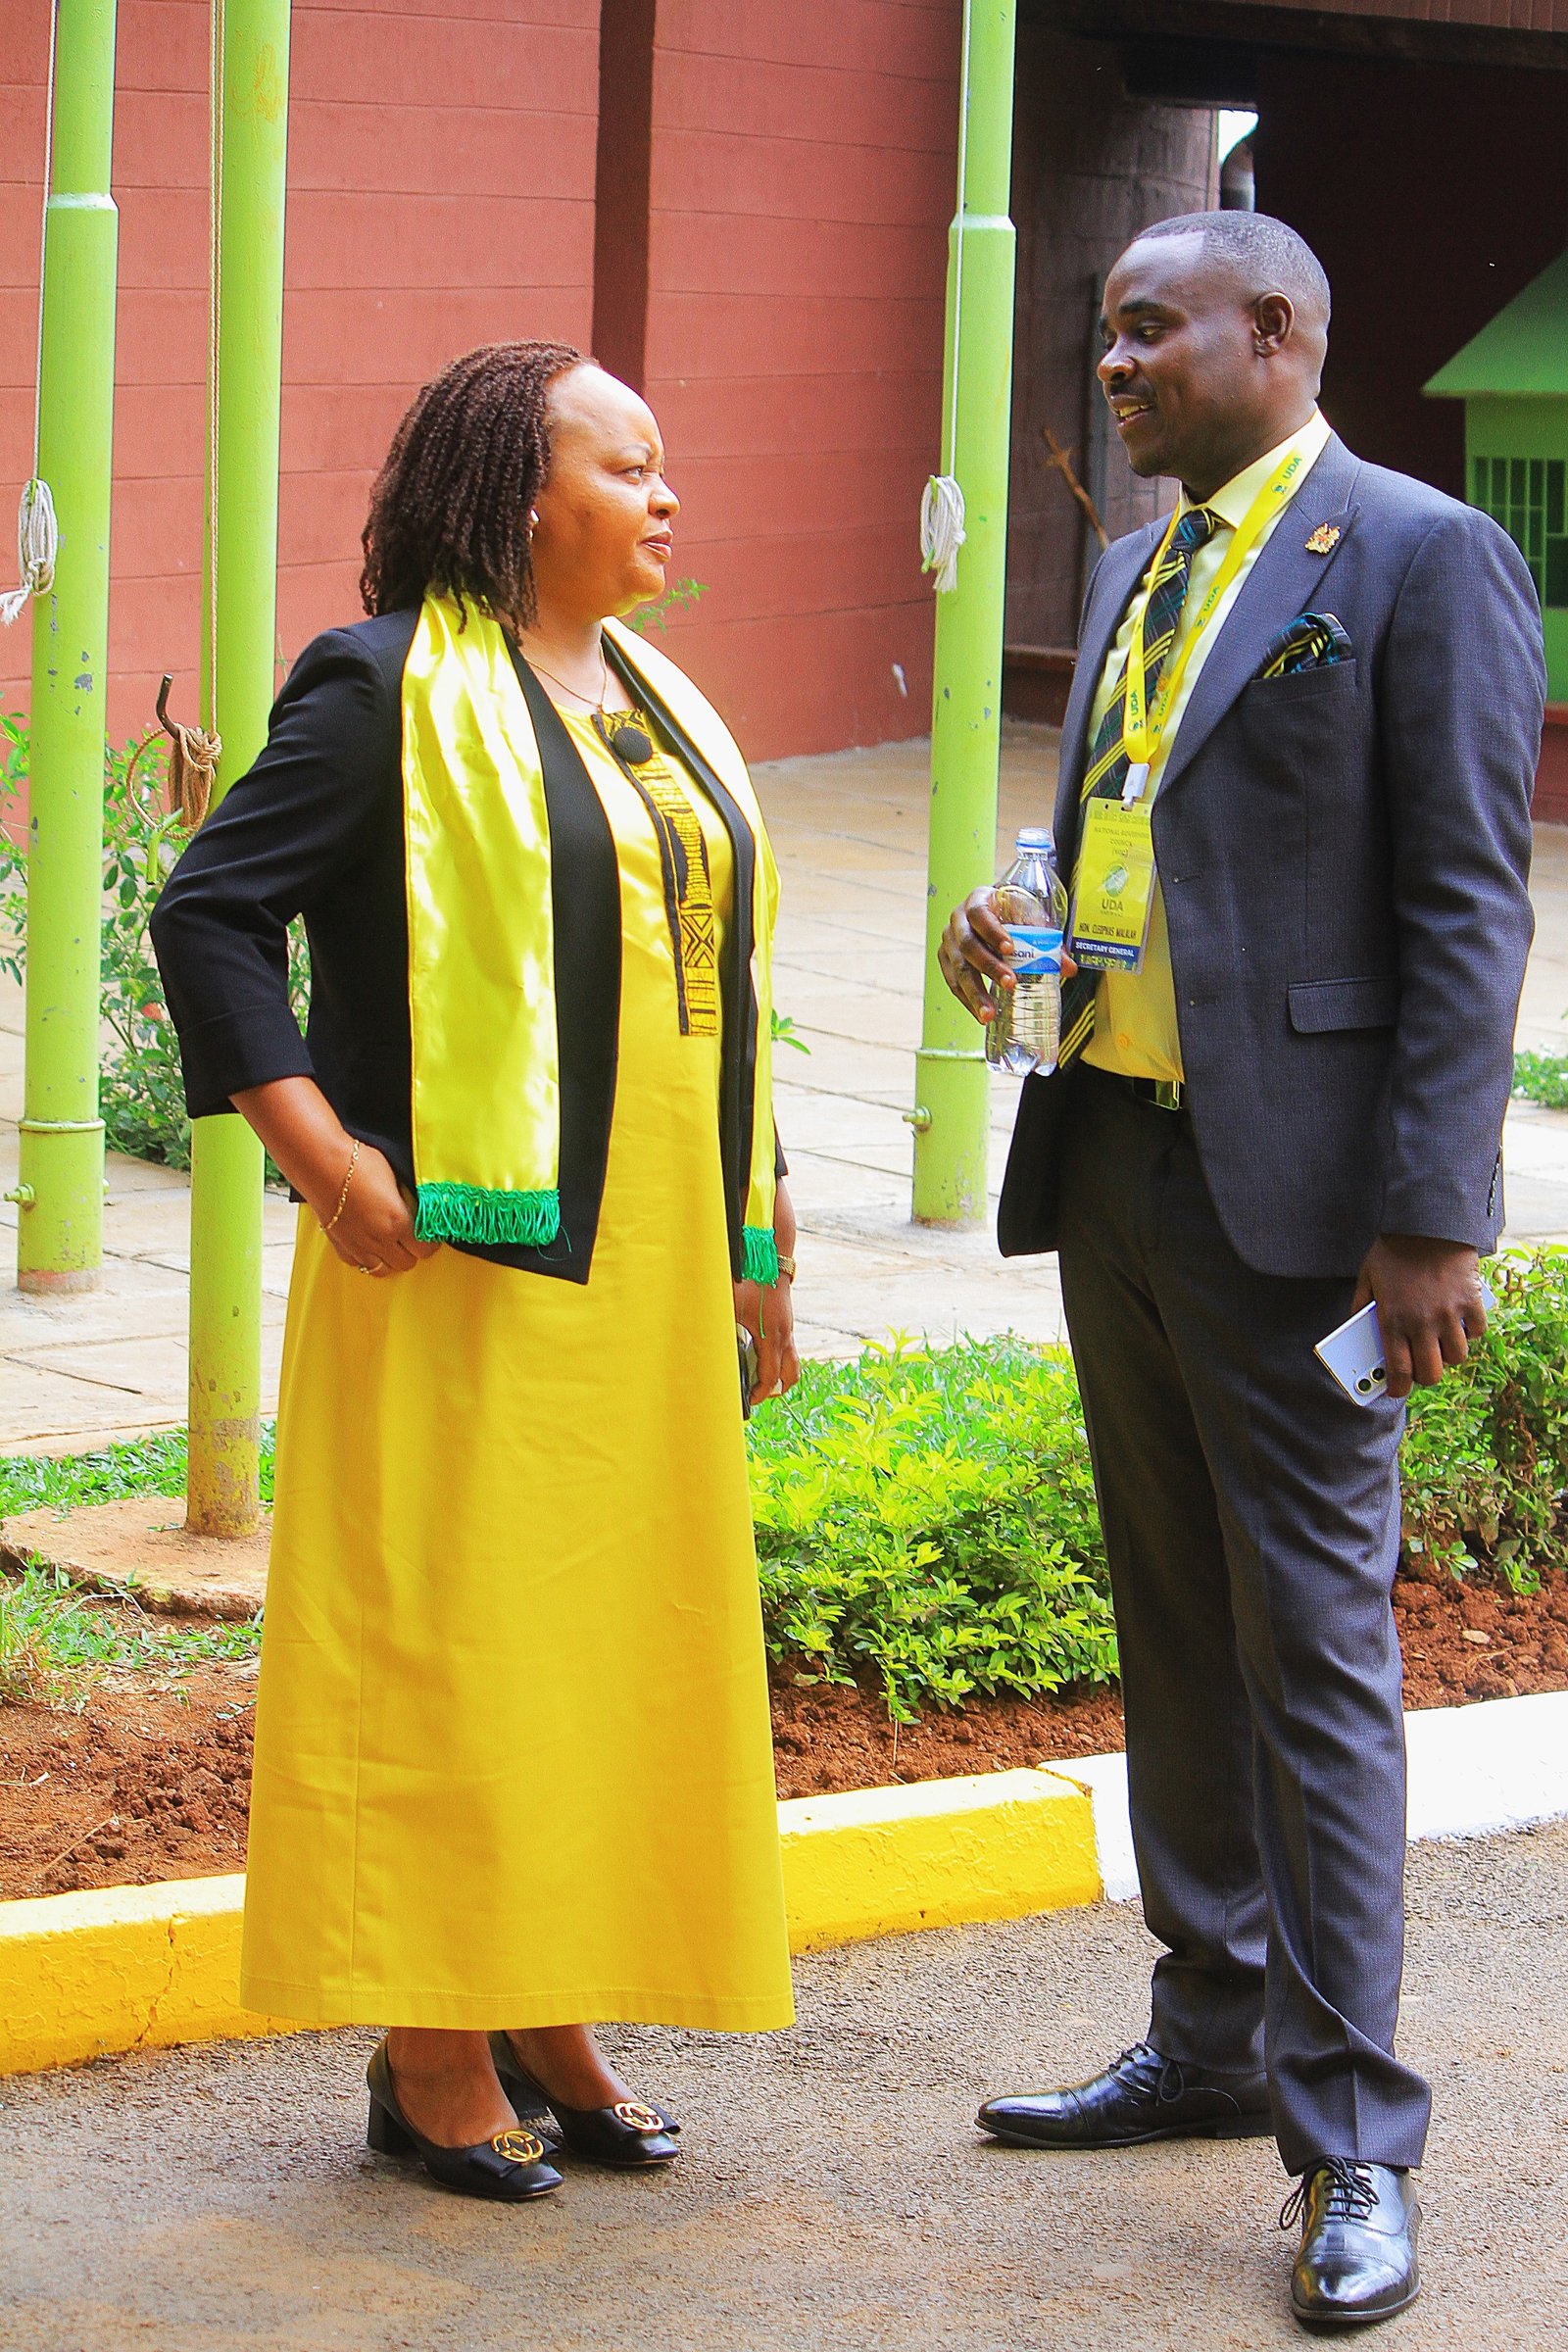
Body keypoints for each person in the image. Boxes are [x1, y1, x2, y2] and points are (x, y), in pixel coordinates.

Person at [941, 212, 1541, 2328]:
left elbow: (1465, 903)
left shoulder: (1407, 558)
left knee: (1309, 1661)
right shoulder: (1132, 564)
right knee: (1174, 1621)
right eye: (1106, 333)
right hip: (1109, 1156)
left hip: (1303, 1210)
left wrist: (1430, 1217)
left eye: (1142, 330)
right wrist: (1003, 948)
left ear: (1275, 331)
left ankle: (1354, 2134)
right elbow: (1123, 836)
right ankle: (1206, 2039)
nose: (1110, 365)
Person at [152, 342, 801, 2203]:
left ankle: (547, 2005)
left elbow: (713, 991)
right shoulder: (382, 690)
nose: (669, 498)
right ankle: (429, 2043)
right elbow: (210, 913)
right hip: (454, 1262)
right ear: (529, 496)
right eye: (632, 467)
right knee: (454, 1640)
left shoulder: (662, 707)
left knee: (606, 1645)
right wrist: (331, 1161)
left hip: (653, 1269)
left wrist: (757, 1252)